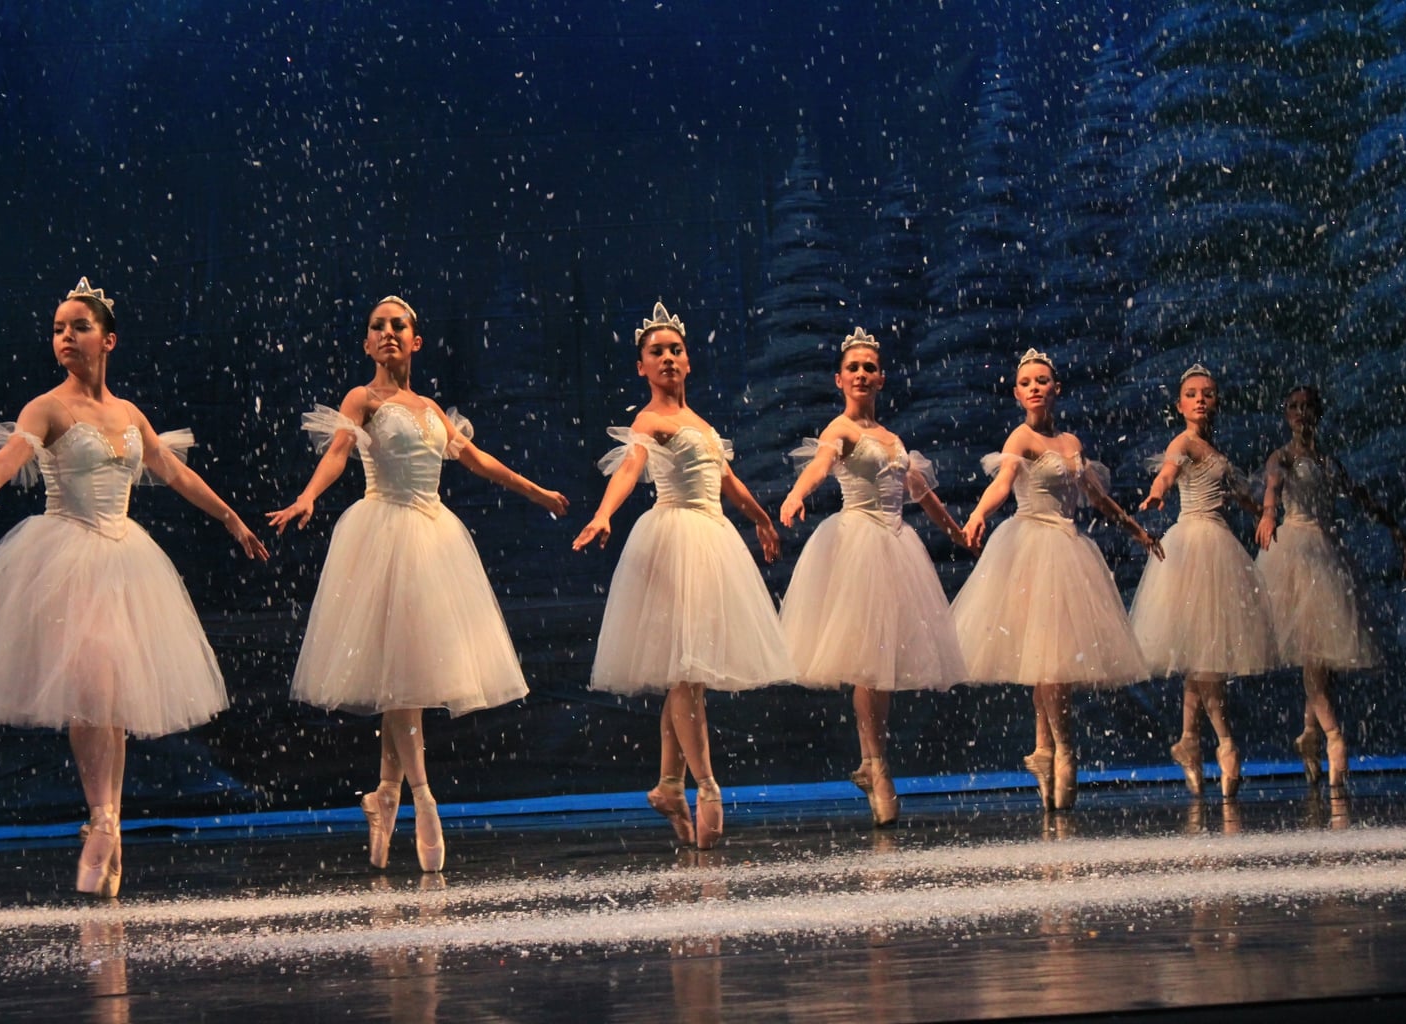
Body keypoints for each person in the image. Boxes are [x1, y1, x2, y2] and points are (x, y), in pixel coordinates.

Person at [0, 278, 269, 898]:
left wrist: (231, 518)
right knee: (91, 684)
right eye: (57, 328)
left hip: (124, 556)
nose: (65, 338)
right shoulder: (46, 408)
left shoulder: (129, 415)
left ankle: (107, 826)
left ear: (108, 339)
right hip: (67, 552)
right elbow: (3, 461)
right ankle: (103, 819)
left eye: (78, 327)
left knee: (113, 690)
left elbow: (172, 471)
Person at [269, 295, 567, 873]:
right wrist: (308, 496)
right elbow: (337, 452)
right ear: (366, 342)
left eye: (397, 325)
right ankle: (423, 799)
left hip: (432, 539)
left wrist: (537, 494)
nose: (387, 333)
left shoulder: (430, 408)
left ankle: (384, 795)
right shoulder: (364, 398)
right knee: (401, 684)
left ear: (415, 340)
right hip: (384, 535)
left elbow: (479, 461)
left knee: (401, 680)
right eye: (377, 326)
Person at [573, 302, 793, 850]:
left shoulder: (703, 426)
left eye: (675, 350)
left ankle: (670, 783)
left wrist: (762, 518)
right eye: (656, 352)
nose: (667, 358)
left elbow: (727, 479)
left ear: (688, 362)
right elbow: (629, 468)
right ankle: (706, 784)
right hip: (674, 540)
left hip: (711, 537)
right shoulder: (652, 421)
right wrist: (603, 513)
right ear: (642, 368)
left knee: (685, 670)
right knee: (687, 670)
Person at [952, 349, 1160, 811]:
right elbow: (1003, 483)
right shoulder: (1021, 437)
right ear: (1016, 392)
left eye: (1042, 380)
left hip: (1067, 548)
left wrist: (1138, 532)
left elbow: (1098, 499)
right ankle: (1061, 749)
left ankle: (1048, 747)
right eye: (1026, 381)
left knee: (1050, 660)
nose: (1034, 388)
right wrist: (979, 514)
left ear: (1056, 388)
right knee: (1045, 661)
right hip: (1029, 546)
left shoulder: (1070, 443)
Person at [778, 327, 968, 826]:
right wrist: (798, 495)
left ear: (880, 378)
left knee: (881, 662)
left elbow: (920, 491)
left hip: (896, 542)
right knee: (868, 662)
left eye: (869, 367)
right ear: (839, 378)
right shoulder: (840, 431)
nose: (861, 374)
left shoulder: (893, 439)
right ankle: (877, 765)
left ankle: (871, 761)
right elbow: (820, 466)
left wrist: (956, 531)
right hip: (858, 543)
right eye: (853, 367)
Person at [1129, 365, 1276, 798]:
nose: (1199, 400)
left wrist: (1265, 513)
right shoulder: (1185, 442)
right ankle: (1225, 742)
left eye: (1207, 394)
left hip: (1218, 546)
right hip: (1193, 545)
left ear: (1216, 402)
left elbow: (1239, 493)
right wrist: (1158, 490)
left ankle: (1189, 742)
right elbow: (1169, 470)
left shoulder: (1216, 451)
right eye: (1191, 394)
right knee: (1205, 658)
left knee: (1201, 655)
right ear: (1179, 405)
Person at [1254, 384, 1406, 791]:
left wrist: (1395, 530)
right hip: (1296, 552)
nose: (1301, 413)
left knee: (1320, 657)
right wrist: (1269, 515)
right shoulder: (1282, 457)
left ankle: (1309, 734)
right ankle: (1333, 738)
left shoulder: (1327, 462)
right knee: (1311, 652)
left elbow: (1359, 497)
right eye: (1294, 407)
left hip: (1325, 554)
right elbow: (1271, 487)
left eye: (1307, 407)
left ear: (1318, 413)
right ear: (1286, 414)